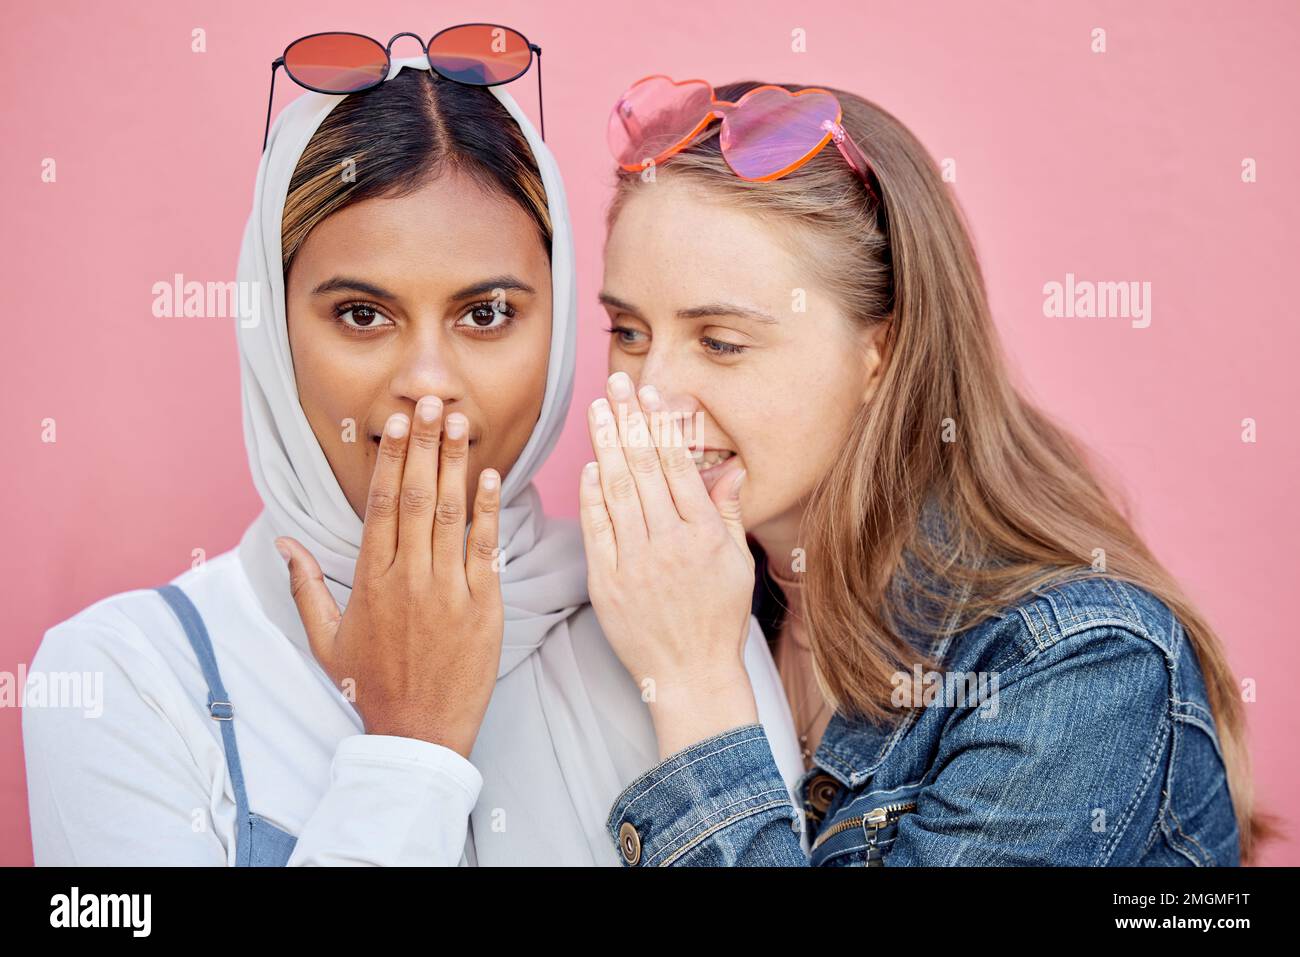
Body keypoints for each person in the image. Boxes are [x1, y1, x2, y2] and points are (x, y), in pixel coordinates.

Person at [22, 59, 805, 866]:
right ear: (273, 332)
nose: (427, 384)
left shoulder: (674, 617)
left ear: (561, 321)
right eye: (362, 314)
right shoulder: (125, 677)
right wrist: (410, 747)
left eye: (487, 313)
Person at [579, 76, 1276, 865]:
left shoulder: (1075, 664)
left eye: (722, 341)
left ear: (883, 352)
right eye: (628, 331)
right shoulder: (696, 589)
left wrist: (692, 682)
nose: (648, 393)